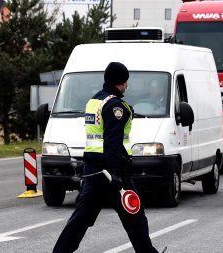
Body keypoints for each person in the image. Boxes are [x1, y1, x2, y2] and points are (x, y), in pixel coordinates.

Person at [53, 62, 159, 253]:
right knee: (135, 214)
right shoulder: (115, 106)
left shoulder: (94, 101)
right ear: (122, 81)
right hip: (112, 171)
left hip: (93, 170)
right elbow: (112, 142)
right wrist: (116, 175)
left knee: (80, 219)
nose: (127, 85)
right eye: (126, 81)